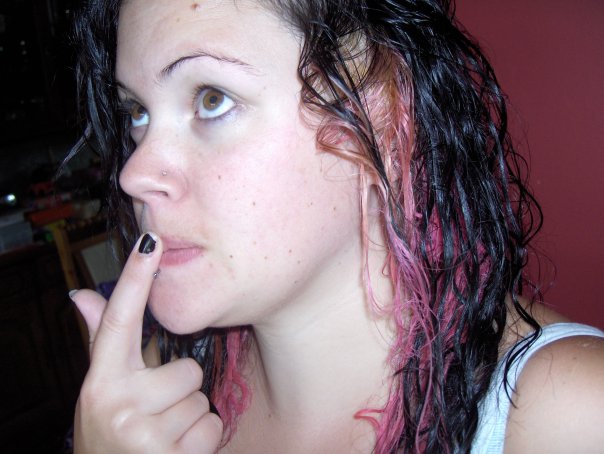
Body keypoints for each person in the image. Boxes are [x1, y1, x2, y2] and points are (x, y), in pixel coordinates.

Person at [69, 0, 604, 452]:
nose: (134, 173)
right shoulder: (160, 396)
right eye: (137, 112)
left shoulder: (567, 416)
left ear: (384, 113)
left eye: (212, 98)